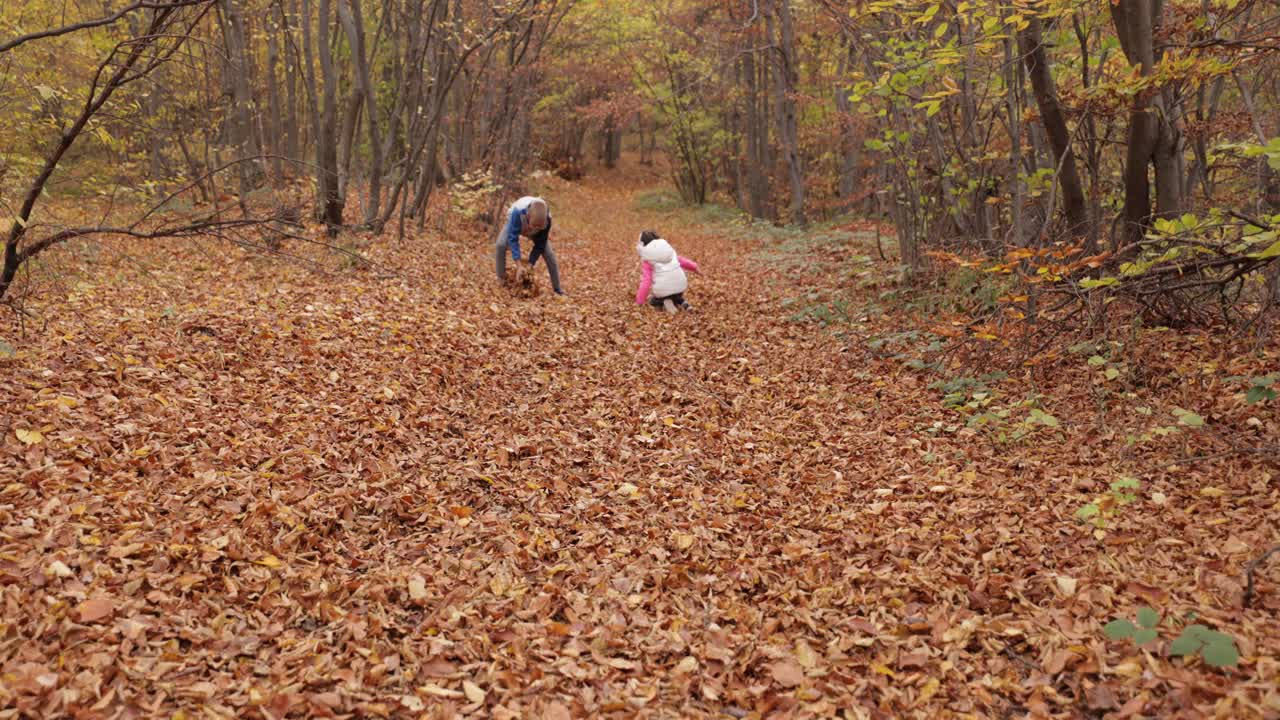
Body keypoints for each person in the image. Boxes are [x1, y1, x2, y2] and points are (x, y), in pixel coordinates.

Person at [495, 196, 565, 295]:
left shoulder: (547, 219)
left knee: (549, 254)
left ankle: (557, 289)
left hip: (536, 232)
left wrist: (530, 264)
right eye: (534, 225)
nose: (536, 228)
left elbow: (540, 244)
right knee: (500, 244)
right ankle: (501, 280)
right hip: (517, 224)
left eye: (539, 226)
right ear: (528, 215)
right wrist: (518, 265)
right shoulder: (517, 211)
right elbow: (513, 238)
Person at [634, 230, 699, 313]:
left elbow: (646, 281)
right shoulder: (669, 251)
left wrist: (640, 301)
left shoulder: (648, 258)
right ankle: (685, 304)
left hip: (663, 288)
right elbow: (682, 261)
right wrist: (695, 268)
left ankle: (665, 301)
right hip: (680, 284)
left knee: (653, 300)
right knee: (675, 294)